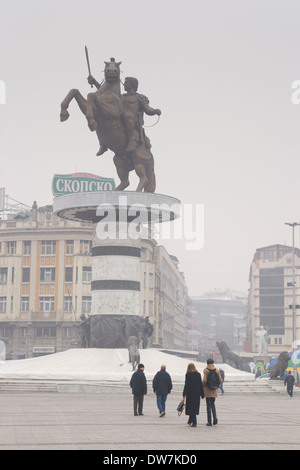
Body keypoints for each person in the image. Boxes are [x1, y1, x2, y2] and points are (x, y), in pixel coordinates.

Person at [122, 77, 161, 153]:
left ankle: (132, 139)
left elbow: (148, 110)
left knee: (126, 115)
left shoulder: (140, 97)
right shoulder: (121, 96)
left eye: (126, 82)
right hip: (120, 120)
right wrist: (94, 82)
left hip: (133, 122)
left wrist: (155, 111)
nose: (124, 84)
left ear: (132, 84)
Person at [182, 363, 204, 427]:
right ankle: (190, 420)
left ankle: (194, 422)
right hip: (197, 394)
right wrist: (202, 394)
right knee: (194, 408)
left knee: (191, 408)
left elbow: (187, 385)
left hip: (190, 394)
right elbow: (200, 385)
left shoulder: (188, 375)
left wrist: (184, 394)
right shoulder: (198, 374)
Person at [203, 359, 223, 426]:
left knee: (208, 406)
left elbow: (204, 380)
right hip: (214, 390)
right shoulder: (217, 370)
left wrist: (203, 386)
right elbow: (220, 380)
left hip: (208, 391)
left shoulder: (206, 370)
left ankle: (209, 421)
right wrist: (216, 385)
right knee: (213, 405)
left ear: (207, 363)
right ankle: (215, 418)